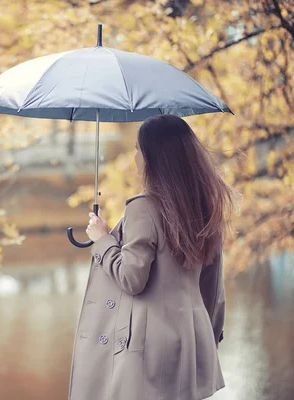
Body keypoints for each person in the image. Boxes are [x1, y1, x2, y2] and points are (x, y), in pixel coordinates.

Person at [68, 114, 234, 400]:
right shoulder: (206, 206)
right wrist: (211, 333)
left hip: (149, 347)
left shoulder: (143, 209)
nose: (135, 157)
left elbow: (132, 278)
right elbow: (213, 285)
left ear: (152, 156)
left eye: (137, 149)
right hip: (193, 339)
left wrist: (102, 240)